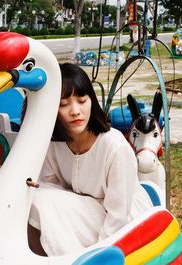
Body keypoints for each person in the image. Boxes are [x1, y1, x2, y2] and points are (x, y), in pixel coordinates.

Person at [27, 63, 154, 256]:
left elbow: (118, 216)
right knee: (32, 199)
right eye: (63, 104)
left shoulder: (114, 146)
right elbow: (50, 189)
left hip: (125, 221)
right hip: (87, 212)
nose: (75, 111)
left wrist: (98, 255)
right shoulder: (54, 145)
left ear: (91, 101)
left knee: (42, 202)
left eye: (82, 100)